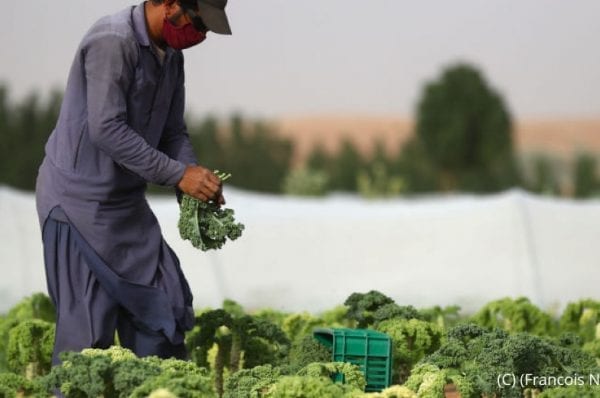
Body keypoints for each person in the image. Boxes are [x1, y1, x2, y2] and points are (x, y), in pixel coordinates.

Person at [35, 0, 231, 364]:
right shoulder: (113, 40)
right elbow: (106, 129)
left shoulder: (171, 55)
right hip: (78, 203)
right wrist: (177, 174)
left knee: (165, 311)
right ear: (171, 4)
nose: (200, 35)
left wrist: (191, 179)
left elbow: (172, 131)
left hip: (125, 204)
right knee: (87, 338)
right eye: (198, 23)